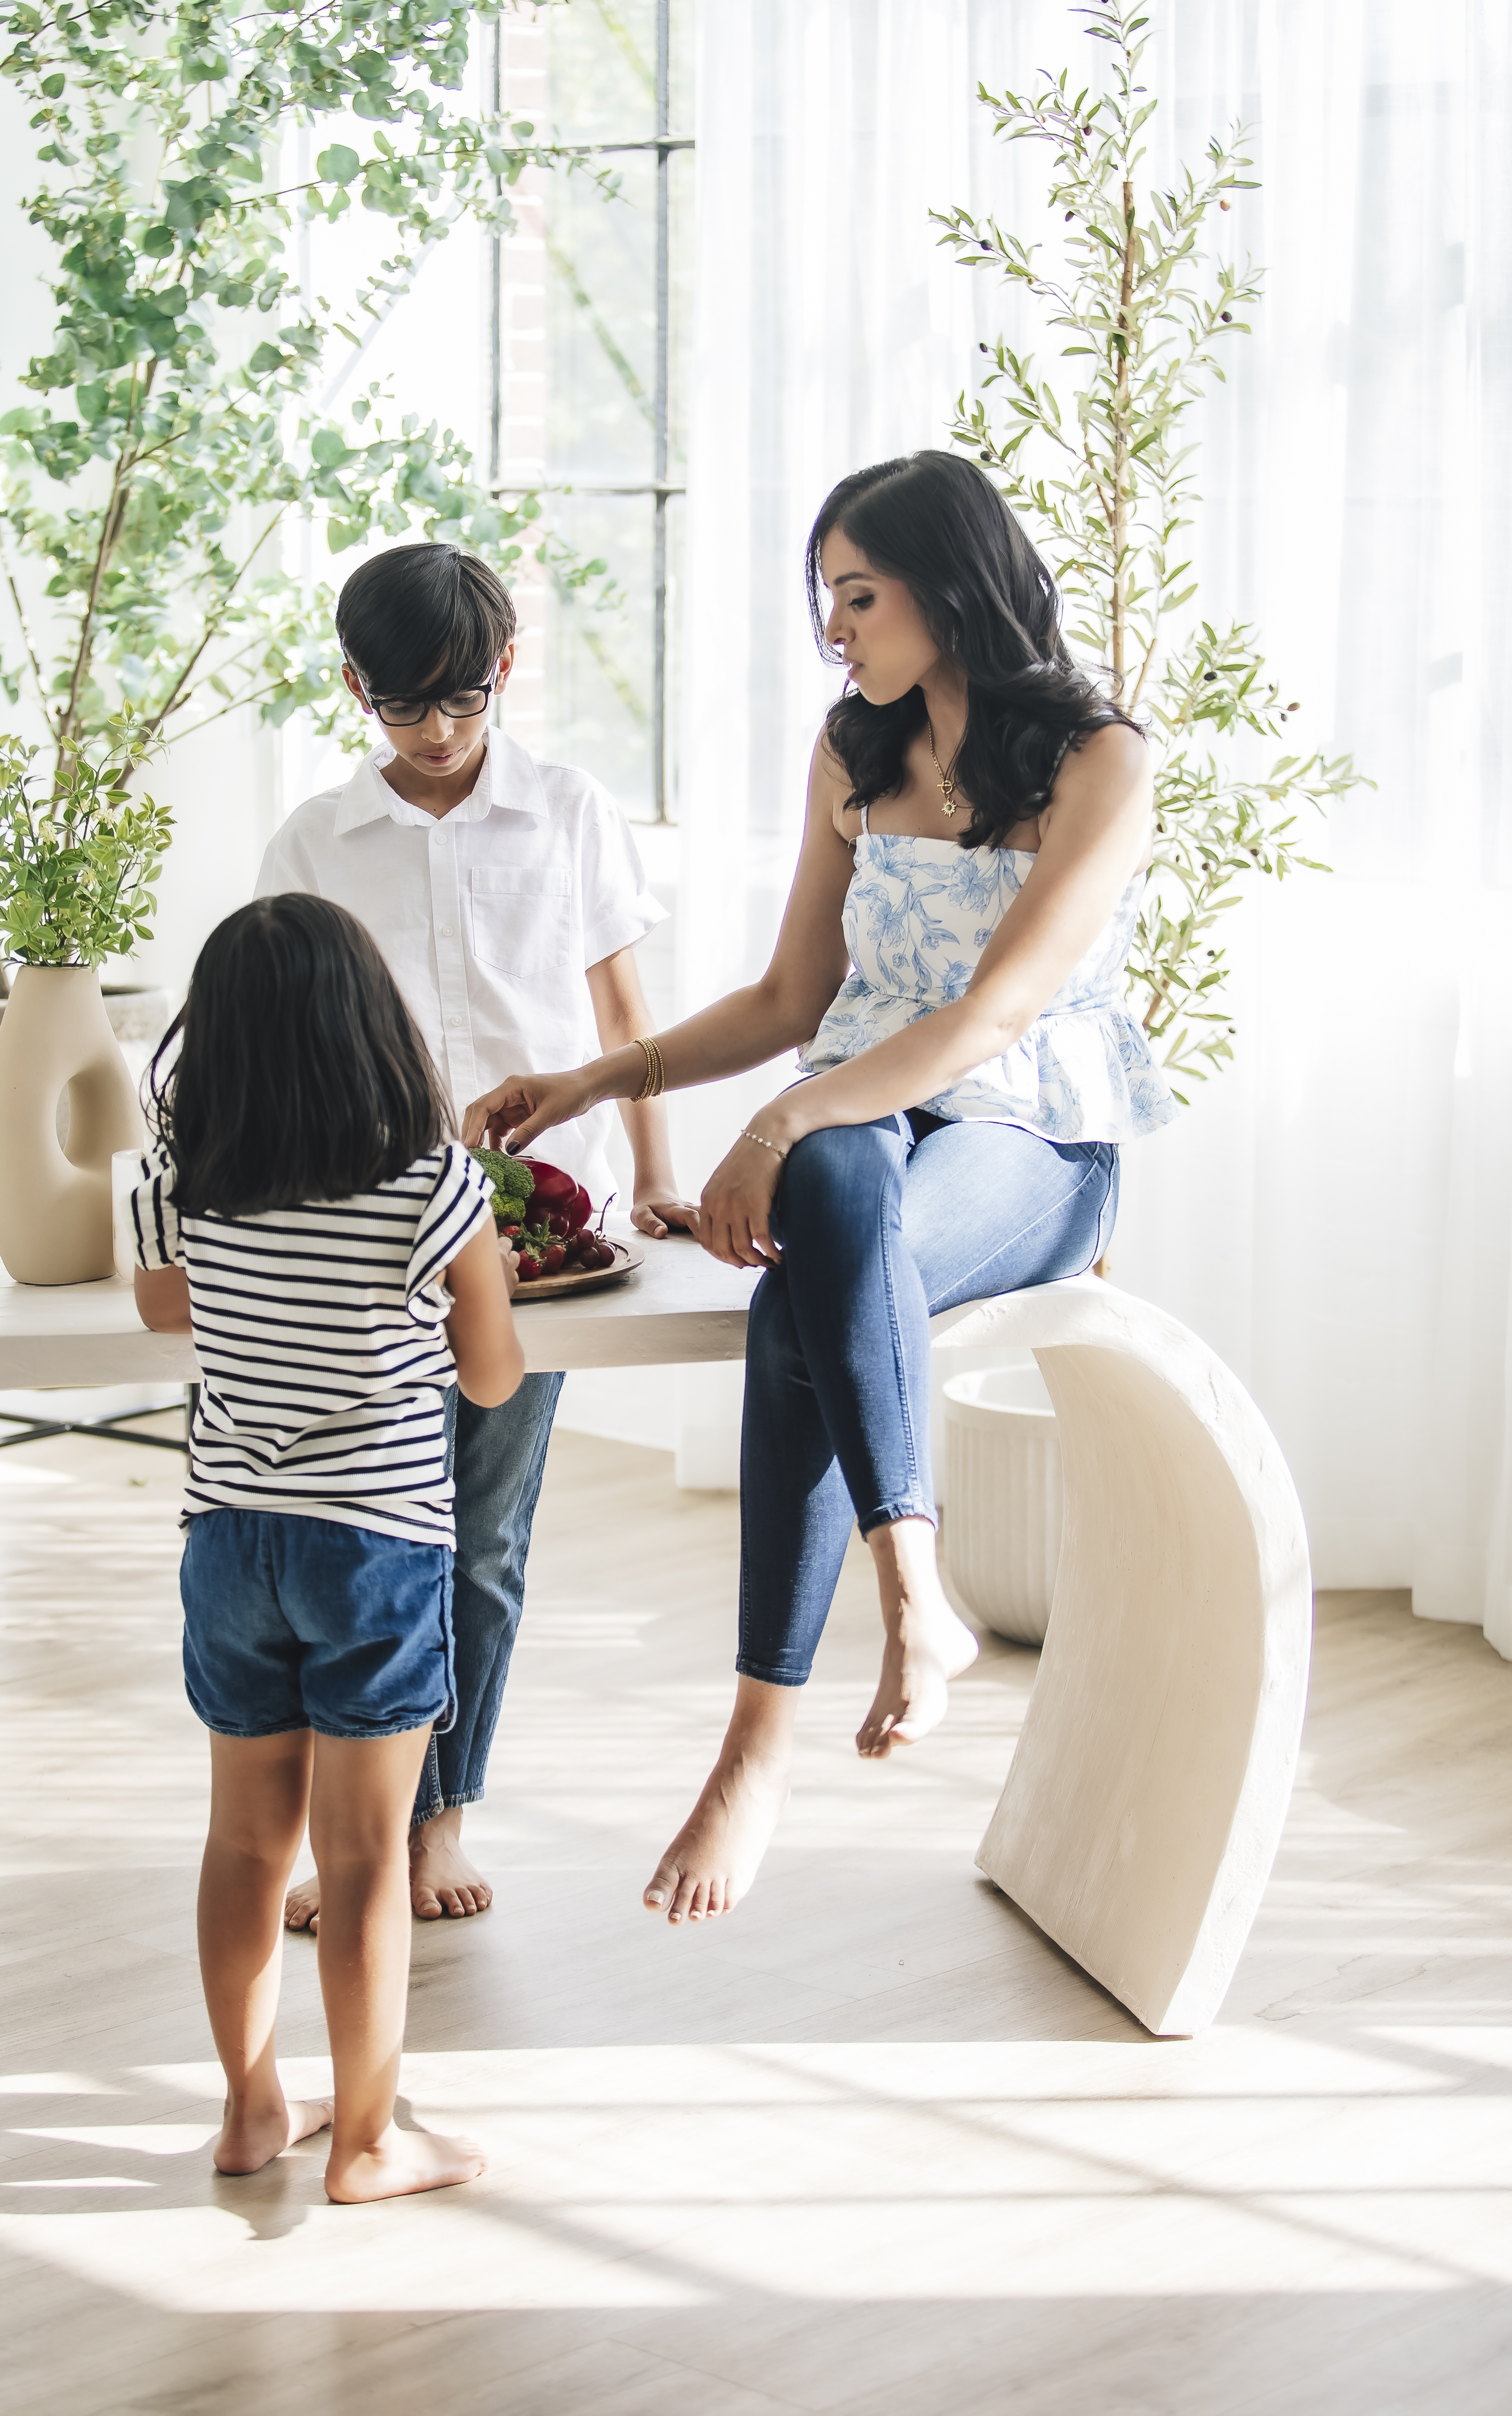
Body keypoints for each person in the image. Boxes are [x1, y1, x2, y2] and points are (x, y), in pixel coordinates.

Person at [463, 450, 1179, 1926]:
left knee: (819, 1227)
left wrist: (779, 1124)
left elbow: (986, 1019)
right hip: (863, 1132)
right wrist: (596, 1081)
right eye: (822, 600)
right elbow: (798, 991)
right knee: (837, 1194)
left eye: (856, 595)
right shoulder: (853, 752)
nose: (833, 630)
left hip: (1033, 1142)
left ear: (949, 580)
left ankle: (756, 1744)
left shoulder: (1097, 758)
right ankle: (912, 1593)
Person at [256, 543, 692, 1930]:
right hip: (362, 1241)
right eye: (403, 708)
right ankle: (357, 1829)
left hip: (534, 1238)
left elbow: (624, 1025)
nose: (437, 733)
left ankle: (442, 1816)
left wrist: (655, 1176)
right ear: (353, 691)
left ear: (504, 672)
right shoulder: (309, 844)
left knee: (481, 1537)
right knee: (362, 1536)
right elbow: (276, 1040)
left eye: (459, 700)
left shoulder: (566, 813)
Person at [132, 892, 521, 2201]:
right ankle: (365, 2139)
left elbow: (158, 1308)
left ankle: (250, 2111)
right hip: (376, 1545)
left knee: (244, 1845)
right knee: (361, 1857)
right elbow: (488, 1380)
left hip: (231, 1538)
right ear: (374, 1030)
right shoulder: (436, 1185)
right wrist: (476, 1288)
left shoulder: (186, 1179)